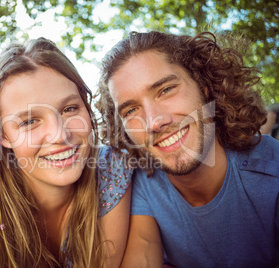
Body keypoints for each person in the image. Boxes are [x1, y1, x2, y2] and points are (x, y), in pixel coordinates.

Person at [0, 38, 132, 267]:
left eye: (69, 109)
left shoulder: (111, 169)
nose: (59, 135)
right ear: (1, 135)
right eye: (30, 121)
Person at [96, 31, 279, 267]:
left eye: (166, 90)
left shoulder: (272, 172)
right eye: (131, 111)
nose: (154, 122)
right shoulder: (143, 181)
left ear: (203, 87)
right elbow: (143, 252)